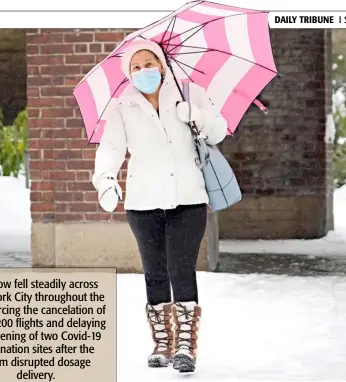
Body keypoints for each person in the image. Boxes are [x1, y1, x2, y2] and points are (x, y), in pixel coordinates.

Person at [91, 39, 228, 373]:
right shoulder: (124, 106)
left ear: (162, 65)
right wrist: (105, 179)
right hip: (143, 201)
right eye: (135, 68)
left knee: (181, 268)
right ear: (129, 74)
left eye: (149, 63)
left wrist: (195, 115)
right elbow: (110, 147)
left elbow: (219, 130)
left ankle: (185, 344)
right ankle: (162, 342)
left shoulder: (188, 93)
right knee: (154, 271)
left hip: (188, 198)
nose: (143, 72)